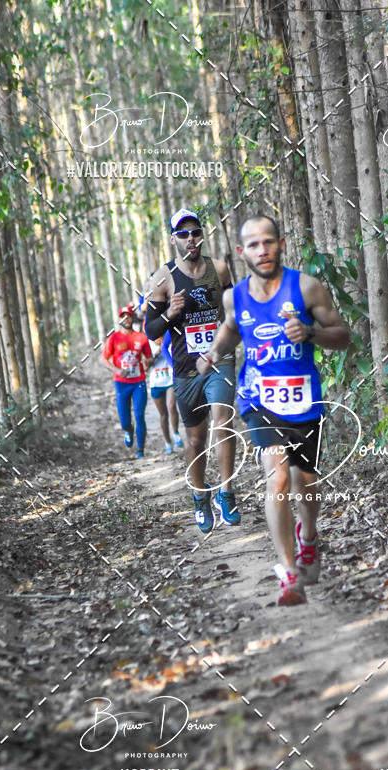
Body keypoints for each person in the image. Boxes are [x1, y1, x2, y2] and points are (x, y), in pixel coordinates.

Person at [197, 215, 350, 605]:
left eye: (268, 242)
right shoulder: (235, 296)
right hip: (258, 399)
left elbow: (345, 336)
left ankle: (309, 537)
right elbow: (232, 328)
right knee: (278, 477)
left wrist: (311, 333)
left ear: (280, 243)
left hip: (302, 398)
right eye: (253, 245)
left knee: (305, 482)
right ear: (240, 252)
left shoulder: (308, 288)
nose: (261, 250)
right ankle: (288, 571)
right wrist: (215, 352)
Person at [144, 208, 241, 531]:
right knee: (195, 440)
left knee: (224, 421)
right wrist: (171, 313)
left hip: (220, 360)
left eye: (195, 232)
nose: (191, 239)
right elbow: (151, 331)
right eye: (183, 234)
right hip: (186, 369)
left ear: (202, 234)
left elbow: (234, 314)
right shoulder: (163, 278)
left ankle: (226, 492)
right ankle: (200, 496)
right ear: (174, 239)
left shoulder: (221, 270)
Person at [102, 304, 152, 458]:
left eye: (129, 316)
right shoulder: (114, 338)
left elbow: (149, 357)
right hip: (121, 383)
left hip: (139, 382)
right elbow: (104, 358)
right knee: (124, 420)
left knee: (139, 414)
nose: (126, 319)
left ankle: (140, 450)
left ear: (132, 318)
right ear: (119, 319)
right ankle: (129, 430)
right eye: (123, 316)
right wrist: (116, 370)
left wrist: (147, 362)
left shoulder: (141, 337)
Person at [148, 337, 183, 455]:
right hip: (156, 383)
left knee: (172, 406)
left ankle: (176, 433)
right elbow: (146, 366)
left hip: (170, 380)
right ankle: (168, 443)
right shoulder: (147, 345)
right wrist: (158, 352)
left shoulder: (169, 339)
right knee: (163, 415)